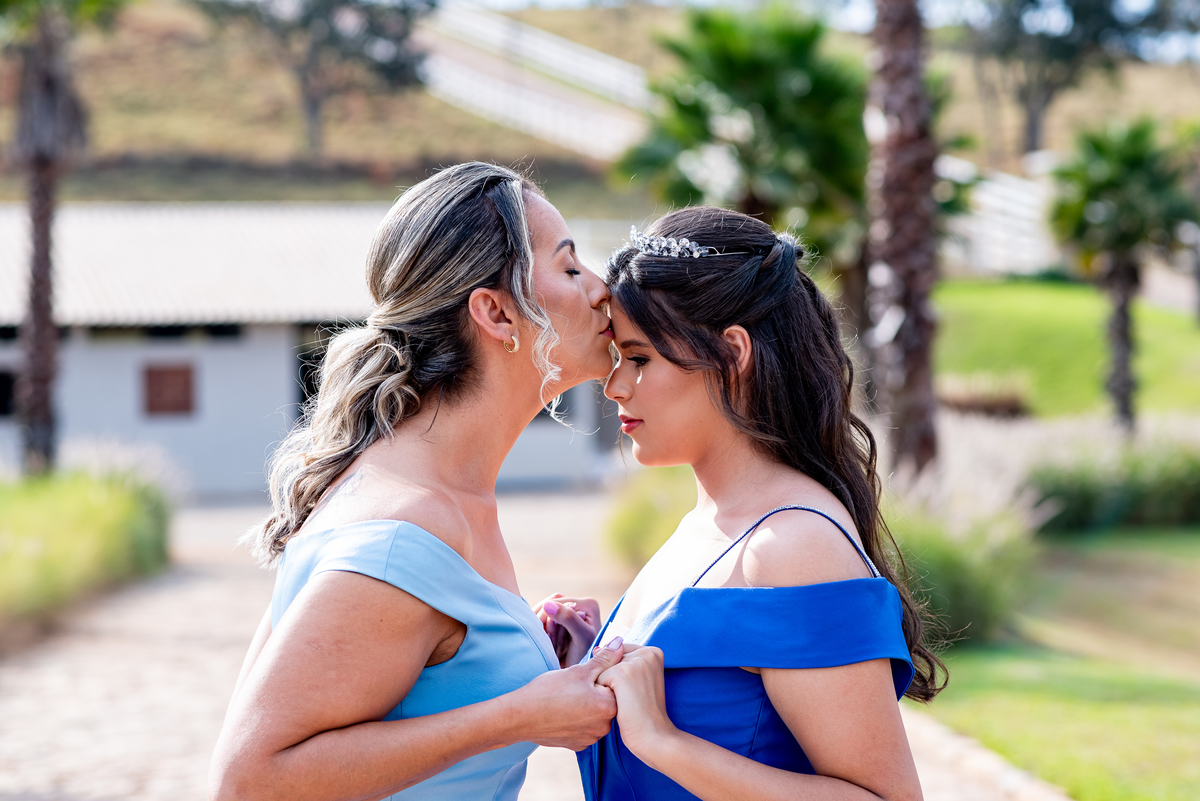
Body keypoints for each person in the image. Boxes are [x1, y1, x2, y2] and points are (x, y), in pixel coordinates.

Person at [209, 162, 628, 801]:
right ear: (496, 312)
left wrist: (514, 646)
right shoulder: (406, 531)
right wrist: (521, 715)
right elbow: (248, 781)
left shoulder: (430, 496)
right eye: (570, 268)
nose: (601, 290)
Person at [538, 206, 946, 801]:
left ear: (732, 354)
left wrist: (663, 742)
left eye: (640, 358)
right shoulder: (708, 522)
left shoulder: (793, 545)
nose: (615, 386)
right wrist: (595, 663)